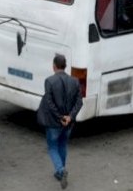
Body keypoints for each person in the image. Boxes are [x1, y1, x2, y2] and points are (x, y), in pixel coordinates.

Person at [36, 54, 83, 189]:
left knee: (52, 147)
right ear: (65, 66)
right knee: (62, 145)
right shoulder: (75, 81)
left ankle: (61, 171)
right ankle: (60, 171)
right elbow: (79, 102)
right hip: (68, 123)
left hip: (53, 123)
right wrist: (69, 117)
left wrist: (60, 117)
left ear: (54, 66)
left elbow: (50, 103)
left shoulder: (49, 81)